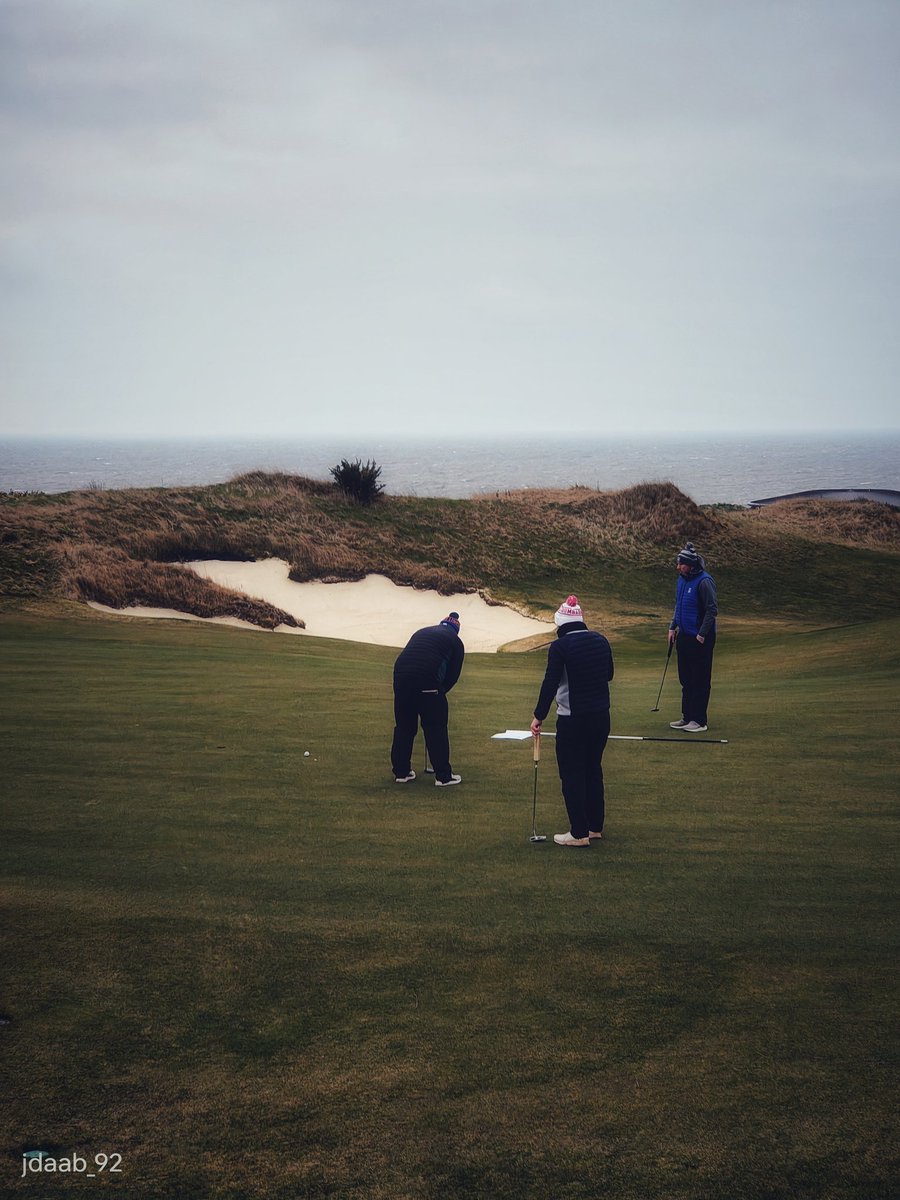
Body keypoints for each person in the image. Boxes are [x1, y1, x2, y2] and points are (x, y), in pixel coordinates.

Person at [530, 596, 614, 848]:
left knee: (572, 774)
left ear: (561, 625)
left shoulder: (560, 647)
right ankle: (594, 826)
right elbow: (608, 674)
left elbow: (550, 683)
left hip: (573, 720)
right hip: (602, 716)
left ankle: (579, 833)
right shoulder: (601, 640)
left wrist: (538, 716)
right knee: (593, 769)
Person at [390, 612, 464, 786]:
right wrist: (439, 692)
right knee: (435, 727)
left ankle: (401, 772)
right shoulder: (456, 642)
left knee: (404, 726)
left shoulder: (421, 632)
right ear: (456, 630)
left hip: (400, 678)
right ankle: (443, 776)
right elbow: (453, 675)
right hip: (428, 680)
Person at [668, 541, 718, 733]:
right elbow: (678, 605)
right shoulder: (682, 579)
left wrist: (701, 635)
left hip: (700, 638)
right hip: (684, 636)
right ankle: (687, 717)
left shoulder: (704, 581)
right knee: (686, 679)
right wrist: (673, 627)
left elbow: (712, 610)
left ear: (690, 564)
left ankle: (699, 720)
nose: (678, 566)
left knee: (700, 680)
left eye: (681, 563)